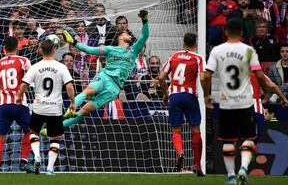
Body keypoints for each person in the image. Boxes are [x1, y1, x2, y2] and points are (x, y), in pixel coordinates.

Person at [202, 18, 269, 185]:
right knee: (248, 138)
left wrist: (205, 95)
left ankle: (231, 175)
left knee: (228, 140)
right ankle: (244, 168)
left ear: (225, 32)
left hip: (226, 103)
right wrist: (265, 92)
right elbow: (260, 75)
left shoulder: (217, 50)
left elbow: (207, 75)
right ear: (241, 33)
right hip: (246, 102)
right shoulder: (248, 50)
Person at [61, 10, 149, 127]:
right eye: (126, 34)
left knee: (85, 110)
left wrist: (145, 20)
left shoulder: (133, 51)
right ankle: (70, 109)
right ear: (120, 38)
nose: (129, 34)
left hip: (114, 88)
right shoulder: (110, 49)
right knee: (88, 92)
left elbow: (145, 36)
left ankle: (58, 128)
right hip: (105, 76)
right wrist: (74, 42)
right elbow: (90, 50)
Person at [17, 35, 75, 175]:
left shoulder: (35, 67)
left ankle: (37, 155)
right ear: (54, 51)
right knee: (54, 139)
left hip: (39, 107)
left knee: (33, 132)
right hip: (55, 108)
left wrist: (19, 97)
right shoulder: (61, 67)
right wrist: (73, 103)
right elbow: (70, 87)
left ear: (40, 50)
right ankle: (49, 168)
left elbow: (24, 84)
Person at [159, 33, 205, 177]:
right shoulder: (198, 58)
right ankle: (197, 165)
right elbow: (203, 78)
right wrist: (206, 94)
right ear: (195, 44)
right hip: (190, 96)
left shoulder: (173, 56)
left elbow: (161, 77)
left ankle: (180, 153)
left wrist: (167, 94)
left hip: (174, 96)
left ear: (183, 43)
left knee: (176, 131)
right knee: (196, 130)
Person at [0, 36, 34, 175]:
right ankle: (23, 161)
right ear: (18, 47)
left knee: (0, 136)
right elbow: (31, 78)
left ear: (4, 48)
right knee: (30, 131)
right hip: (19, 103)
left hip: (3, 104)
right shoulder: (23, 61)